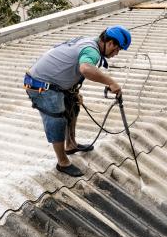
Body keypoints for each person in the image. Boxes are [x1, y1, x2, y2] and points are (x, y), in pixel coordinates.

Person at [23, 26, 131, 177]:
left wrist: (74, 90)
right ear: (111, 43)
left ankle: (71, 145)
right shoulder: (92, 51)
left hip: (55, 84)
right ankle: (62, 162)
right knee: (57, 120)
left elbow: (69, 66)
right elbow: (85, 69)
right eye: (117, 49)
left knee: (73, 107)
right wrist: (111, 82)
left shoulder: (91, 42)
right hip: (41, 85)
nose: (116, 54)